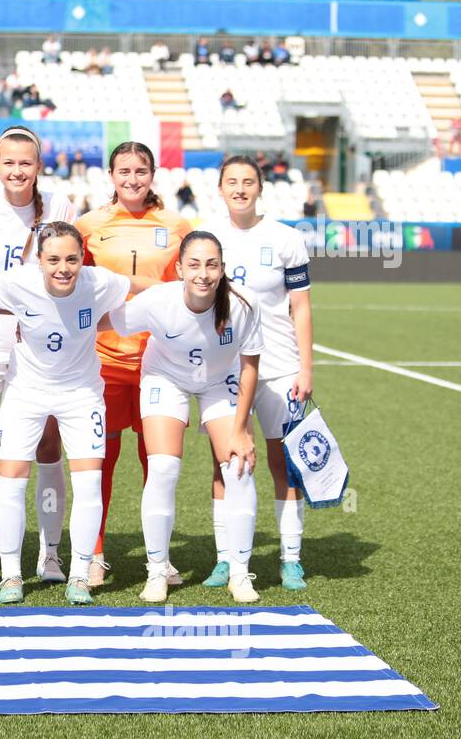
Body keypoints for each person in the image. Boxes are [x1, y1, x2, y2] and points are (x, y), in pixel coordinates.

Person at [0, 221, 157, 604]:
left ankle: (78, 573)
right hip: (26, 393)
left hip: (81, 394)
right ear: (38, 260)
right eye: (54, 259)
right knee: (11, 481)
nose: (63, 268)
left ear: (82, 259)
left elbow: (141, 287)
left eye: (72, 259)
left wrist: (186, 290)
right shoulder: (17, 282)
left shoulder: (99, 282)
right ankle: (11, 576)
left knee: (89, 484)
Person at [108, 230, 263, 604]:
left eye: (212, 265)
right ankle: (157, 570)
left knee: (238, 466)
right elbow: (105, 322)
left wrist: (241, 430)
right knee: (163, 468)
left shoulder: (243, 303)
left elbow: (249, 367)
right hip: (166, 378)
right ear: (178, 269)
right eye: (194, 264)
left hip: (220, 380)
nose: (203, 274)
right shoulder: (156, 301)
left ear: (223, 268)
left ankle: (240, 573)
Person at [75, 141, 190, 587]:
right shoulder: (89, 225)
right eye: (124, 171)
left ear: (153, 173)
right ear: (111, 174)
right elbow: (72, 284)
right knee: (101, 459)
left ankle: (158, 558)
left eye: (140, 170)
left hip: (160, 362)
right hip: (102, 360)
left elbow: (189, 286)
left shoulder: (177, 225)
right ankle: (94, 554)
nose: (132, 179)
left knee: (156, 461)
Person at [202, 155, 313, 590]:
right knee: (225, 462)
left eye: (249, 182)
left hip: (281, 365)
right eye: (232, 181)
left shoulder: (286, 238)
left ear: (261, 188)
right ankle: (226, 559)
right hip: (227, 368)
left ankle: (290, 557)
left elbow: (300, 306)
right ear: (221, 188)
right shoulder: (209, 237)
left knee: (282, 461)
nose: (240, 189)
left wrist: (306, 367)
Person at [0, 126, 76, 584]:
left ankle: (49, 552)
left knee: (48, 444)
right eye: (9, 162)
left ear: (38, 166)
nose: (17, 170)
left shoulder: (61, 206)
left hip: (41, 338)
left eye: (26, 163)